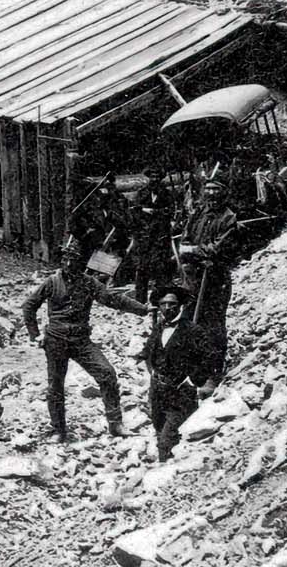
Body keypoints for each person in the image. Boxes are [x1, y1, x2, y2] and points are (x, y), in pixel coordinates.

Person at [21, 235, 150, 442]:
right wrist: (35, 335)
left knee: (107, 373)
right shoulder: (52, 281)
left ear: (82, 263)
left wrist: (142, 309)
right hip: (56, 340)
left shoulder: (89, 283)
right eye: (65, 260)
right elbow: (29, 305)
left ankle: (115, 424)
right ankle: (58, 430)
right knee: (55, 386)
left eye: (74, 260)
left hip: (81, 341)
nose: (69, 264)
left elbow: (112, 299)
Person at [141, 285, 223, 462]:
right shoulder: (158, 328)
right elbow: (148, 352)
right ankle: (168, 464)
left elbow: (210, 358)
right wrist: (151, 371)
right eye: (163, 304)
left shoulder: (192, 330)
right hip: (157, 391)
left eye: (172, 304)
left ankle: (165, 473)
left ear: (180, 306)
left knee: (166, 440)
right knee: (158, 428)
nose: (167, 308)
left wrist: (201, 381)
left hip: (179, 394)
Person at [177, 176, 241, 368]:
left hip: (215, 279)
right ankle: (190, 364)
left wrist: (193, 251)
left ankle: (213, 370)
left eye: (216, 189)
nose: (211, 193)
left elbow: (216, 248)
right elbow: (185, 239)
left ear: (224, 192)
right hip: (193, 277)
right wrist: (189, 251)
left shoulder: (229, 218)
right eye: (209, 189)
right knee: (188, 319)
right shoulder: (198, 213)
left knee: (213, 324)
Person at [130, 163, 177, 306]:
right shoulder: (141, 193)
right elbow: (133, 211)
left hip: (160, 237)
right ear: (148, 178)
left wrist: (156, 212)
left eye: (157, 177)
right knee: (142, 268)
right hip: (143, 237)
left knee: (161, 268)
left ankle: (159, 301)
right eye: (152, 176)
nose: (155, 179)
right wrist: (143, 211)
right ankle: (140, 302)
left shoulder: (167, 194)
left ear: (161, 179)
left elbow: (171, 211)